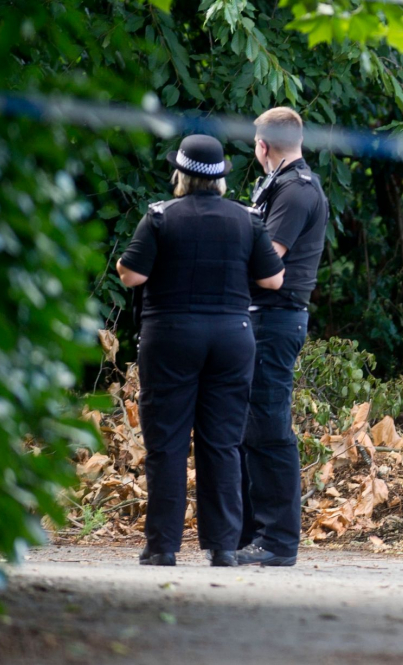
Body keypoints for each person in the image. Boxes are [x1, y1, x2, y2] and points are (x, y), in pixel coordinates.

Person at [116, 134, 285, 567]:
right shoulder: (247, 220)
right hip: (232, 336)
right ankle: (224, 547)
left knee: (167, 443)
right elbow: (273, 281)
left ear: (180, 174)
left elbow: (131, 276)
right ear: (221, 180)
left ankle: (163, 547)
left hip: (171, 336)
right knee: (223, 444)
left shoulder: (160, 217)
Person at [237, 107, 329, 567]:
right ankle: (248, 535)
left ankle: (277, 542)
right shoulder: (277, 185)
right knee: (250, 425)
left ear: (263, 145)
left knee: (270, 427)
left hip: (276, 317)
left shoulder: (296, 191)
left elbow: (269, 264)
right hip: (260, 317)